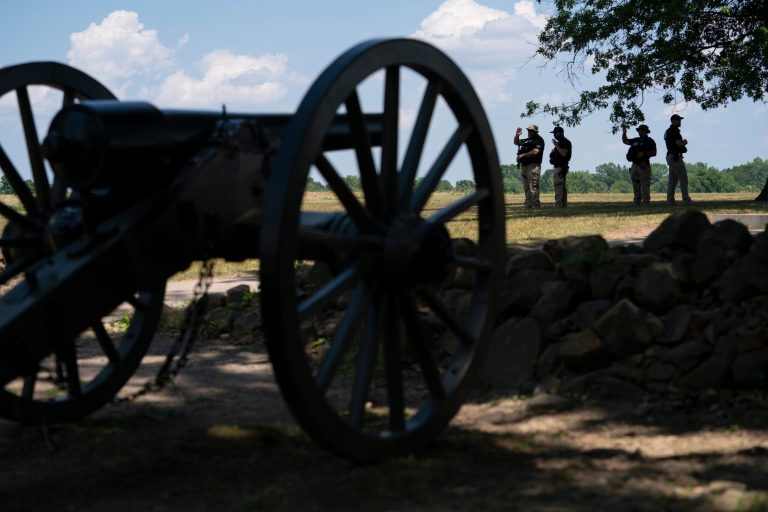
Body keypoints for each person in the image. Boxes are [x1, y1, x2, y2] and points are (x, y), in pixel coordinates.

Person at [622, 124, 657, 205]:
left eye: (642, 130)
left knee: (645, 185)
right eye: (640, 130)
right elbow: (625, 141)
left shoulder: (650, 141)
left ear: (646, 131)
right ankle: (637, 201)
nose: (641, 132)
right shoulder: (635, 140)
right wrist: (624, 132)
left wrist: (644, 153)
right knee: (635, 185)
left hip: (644, 165)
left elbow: (654, 153)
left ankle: (646, 202)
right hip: (634, 165)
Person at [514, 124, 545, 208]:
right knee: (526, 187)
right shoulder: (527, 140)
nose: (529, 132)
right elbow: (516, 142)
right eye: (528, 130)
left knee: (533, 187)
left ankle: (536, 205)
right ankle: (528, 205)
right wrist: (517, 134)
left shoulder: (539, 140)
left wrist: (523, 155)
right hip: (524, 165)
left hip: (533, 166)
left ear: (535, 132)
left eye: (531, 131)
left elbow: (535, 152)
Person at [664, 114, 692, 205]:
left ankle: (670, 201)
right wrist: (685, 142)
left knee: (672, 180)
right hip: (675, 157)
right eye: (678, 120)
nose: (680, 121)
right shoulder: (674, 131)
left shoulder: (668, 131)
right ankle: (686, 199)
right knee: (683, 178)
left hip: (670, 156)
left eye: (679, 120)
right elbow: (679, 144)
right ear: (673, 121)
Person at [548, 126, 572, 208]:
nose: (554, 135)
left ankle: (558, 206)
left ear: (558, 133)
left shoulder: (564, 142)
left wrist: (556, 145)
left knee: (558, 187)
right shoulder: (561, 142)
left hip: (561, 167)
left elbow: (564, 153)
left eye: (554, 133)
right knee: (562, 188)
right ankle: (563, 206)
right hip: (560, 167)